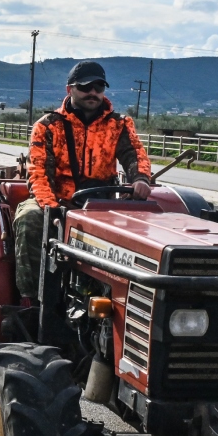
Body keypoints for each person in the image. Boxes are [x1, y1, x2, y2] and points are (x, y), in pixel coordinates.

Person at [13, 61, 153, 303]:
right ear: (70, 90)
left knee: (142, 226)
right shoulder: (48, 126)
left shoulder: (119, 125)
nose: (93, 93)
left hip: (100, 204)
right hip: (58, 201)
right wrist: (52, 208)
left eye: (99, 88)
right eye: (86, 87)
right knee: (29, 218)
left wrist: (140, 178)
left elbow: (135, 155)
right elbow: (39, 173)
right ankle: (33, 301)